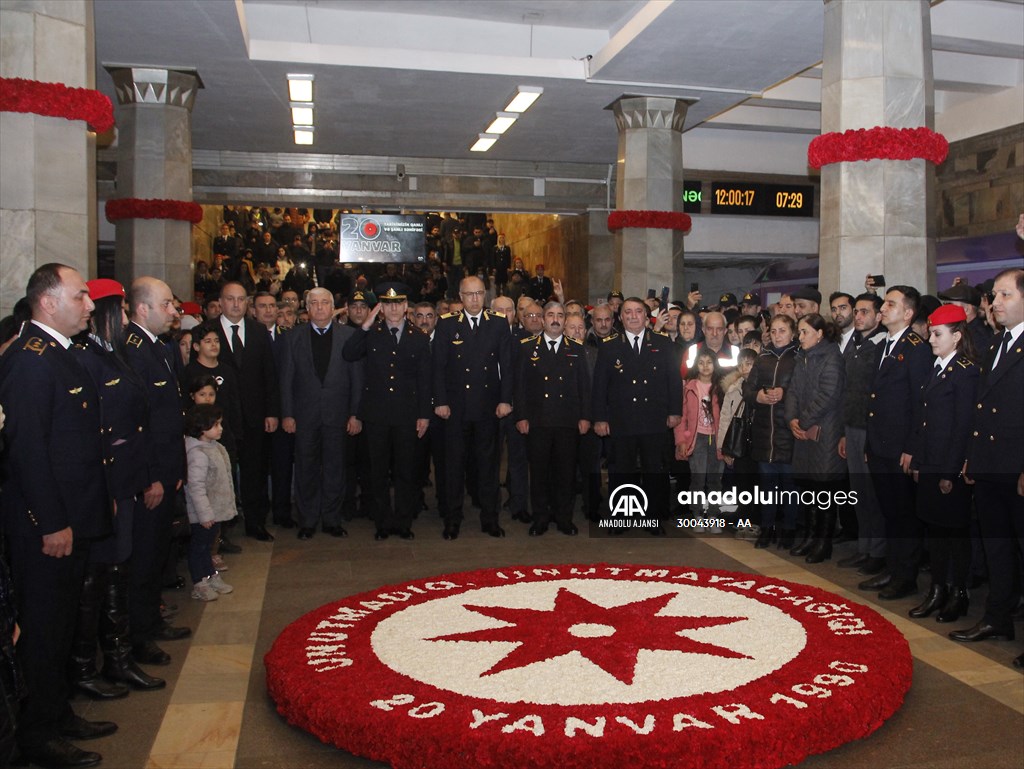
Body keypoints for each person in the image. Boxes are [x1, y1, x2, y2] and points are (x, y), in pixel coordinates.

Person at [0, 263, 117, 769]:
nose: (90, 305)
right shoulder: (30, 361)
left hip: (75, 514)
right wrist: (50, 522)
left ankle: (57, 709)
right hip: (47, 525)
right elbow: (26, 451)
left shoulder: (60, 354)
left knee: (63, 622)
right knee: (44, 628)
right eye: (81, 296)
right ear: (48, 302)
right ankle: (37, 733)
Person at [70, 279, 166, 700]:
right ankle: (91, 666)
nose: (126, 319)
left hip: (125, 480)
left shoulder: (113, 354)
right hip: (108, 485)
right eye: (122, 310)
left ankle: (118, 657)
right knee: (101, 576)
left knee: (117, 570)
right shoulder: (86, 359)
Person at [952, 268, 1024, 668]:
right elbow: (983, 407)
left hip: (1017, 466)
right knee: (997, 547)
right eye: (994, 296)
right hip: (991, 464)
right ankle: (998, 618)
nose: (994, 303)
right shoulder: (997, 342)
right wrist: (973, 456)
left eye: (1004, 295)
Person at [123, 277, 191, 667]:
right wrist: (150, 476)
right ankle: (138, 637)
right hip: (151, 476)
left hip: (167, 469)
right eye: (166, 305)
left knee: (157, 551)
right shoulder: (134, 351)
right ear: (143, 308)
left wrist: (175, 468)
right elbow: (138, 424)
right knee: (144, 555)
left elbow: (171, 418)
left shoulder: (160, 348)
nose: (174, 312)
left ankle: (151, 619)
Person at [904, 304, 979, 622]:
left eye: (937, 334)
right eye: (931, 333)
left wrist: (950, 473)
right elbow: (924, 420)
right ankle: (937, 589)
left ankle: (956, 592)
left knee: (954, 533)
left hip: (949, 465)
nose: (931, 339)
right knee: (936, 531)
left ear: (957, 336)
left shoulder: (965, 370)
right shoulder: (938, 366)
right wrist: (919, 460)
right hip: (931, 462)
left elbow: (962, 426)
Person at [861, 286, 934, 600]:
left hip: (900, 445)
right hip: (880, 443)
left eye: (891, 304)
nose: (883, 308)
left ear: (908, 313)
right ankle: (892, 568)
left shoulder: (916, 347)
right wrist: (869, 443)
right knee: (889, 509)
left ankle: (906, 575)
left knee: (904, 513)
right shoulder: (883, 345)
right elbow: (874, 400)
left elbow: (920, 402)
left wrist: (912, 447)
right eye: (884, 302)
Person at [342, 284, 431, 540]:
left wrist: (424, 414)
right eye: (387, 304)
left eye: (398, 303)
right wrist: (367, 323)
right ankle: (382, 521)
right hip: (377, 414)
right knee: (377, 471)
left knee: (406, 471)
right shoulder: (372, 333)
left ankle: (403, 522)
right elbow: (348, 353)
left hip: (406, 414)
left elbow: (424, 380)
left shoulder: (419, 336)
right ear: (381, 307)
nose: (393, 308)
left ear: (406, 307)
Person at [432, 275, 513, 539]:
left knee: (489, 467)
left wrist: (505, 399)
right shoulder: (446, 325)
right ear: (460, 296)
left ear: (485, 295)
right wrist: (441, 401)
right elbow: (439, 368)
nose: (475, 299)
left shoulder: (498, 324)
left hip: (488, 407)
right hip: (455, 409)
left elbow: (507, 366)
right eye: (469, 294)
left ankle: (490, 518)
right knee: (454, 465)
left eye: (479, 293)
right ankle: (452, 518)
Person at [279, 287, 363, 540]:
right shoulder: (293, 337)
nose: (319, 307)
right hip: (304, 415)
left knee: (336, 468)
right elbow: (286, 380)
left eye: (324, 302)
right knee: (305, 467)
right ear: (307, 307)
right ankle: (307, 520)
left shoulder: (349, 336)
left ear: (332, 305)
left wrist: (355, 414)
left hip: (338, 414)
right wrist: (288, 414)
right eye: (313, 303)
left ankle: (331, 519)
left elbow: (357, 380)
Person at [592, 297, 682, 533]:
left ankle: (653, 518)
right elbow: (600, 385)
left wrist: (675, 411)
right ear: (620, 317)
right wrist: (600, 418)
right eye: (628, 312)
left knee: (655, 472)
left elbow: (673, 380)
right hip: (622, 420)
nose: (633, 316)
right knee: (621, 471)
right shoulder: (610, 345)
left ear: (646, 316)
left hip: (654, 418)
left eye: (638, 311)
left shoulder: (662, 343)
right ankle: (621, 518)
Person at [514, 302, 591, 536]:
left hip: (567, 420)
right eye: (551, 315)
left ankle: (564, 518)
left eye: (560, 315)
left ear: (565, 321)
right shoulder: (528, 348)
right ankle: (540, 518)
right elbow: (520, 386)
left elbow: (584, 387)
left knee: (565, 472)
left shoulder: (576, 349)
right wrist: (521, 416)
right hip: (538, 420)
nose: (555, 319)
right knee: (538, 473)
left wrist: (585, 416)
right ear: (543, 320)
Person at [215, 282, 279, 542]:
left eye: (241, 299)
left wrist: (272, 412)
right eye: (230, 299)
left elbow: (269, 375)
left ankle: (256, 523)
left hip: (255, 416)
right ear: (221, 303)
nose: (236, 304)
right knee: (220, 475)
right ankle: (220, 534)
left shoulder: (258, 332)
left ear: (247, 304)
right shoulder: (207, 332)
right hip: (220, 420)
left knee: (255, 472)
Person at [785, 313, 847, 563]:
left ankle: (824, 542)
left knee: (825, 490)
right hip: (805, 432)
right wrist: (792, 419)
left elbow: (829, 394)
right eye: (799, 332)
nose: (800, 337)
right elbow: (793, 391)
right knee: (809, 488)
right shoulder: (803, 358)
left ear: (819, 334)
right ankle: (810, 537)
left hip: (826, 433)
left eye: (804, 332)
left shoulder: (832, 357)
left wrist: (804, 420)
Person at [837, 293, 888, 575]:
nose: (858, 316)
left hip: (870, 429)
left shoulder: (880, 345)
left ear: (878, 316)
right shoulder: (854, 344)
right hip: (852, 426)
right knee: (858, 491)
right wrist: (844, 432)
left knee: (873, 492)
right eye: (856, 311)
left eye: (864, 312)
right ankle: (864, 546)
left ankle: (878, 551)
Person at [743, 314, 800, 548]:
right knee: (767, 487)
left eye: (782, 330)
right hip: (764, 432)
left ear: (792, 333)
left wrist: (785, 395)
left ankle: (789, 529)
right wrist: (758, 396)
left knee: (789, 487)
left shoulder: (799, 357)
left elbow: (804, 390)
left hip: (788, 432)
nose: (777, 335)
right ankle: (767, 528)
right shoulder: (762, 358)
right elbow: (747, 389)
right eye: (774, 331)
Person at [183, 405, 236, 602]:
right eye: (215, 425)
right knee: (200, 547)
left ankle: (210, 575)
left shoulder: (215, 447)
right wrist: (204, 515)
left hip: (216, 510)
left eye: (220, 424)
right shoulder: (197, 453)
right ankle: (200, 582)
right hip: (203, 515)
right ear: (201, 427)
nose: (220, 428)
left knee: (208, 546)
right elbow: (196, 488)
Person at [675, 349, 725, 524]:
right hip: (697, 440)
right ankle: (697, 515)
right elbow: (682, 417)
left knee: (715, 480)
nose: (705, 366)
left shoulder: (722, 387)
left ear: (715, 365)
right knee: (697, 478)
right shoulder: (689, 387)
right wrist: (681, 440)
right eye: (701, 362)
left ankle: (713, 515)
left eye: (709, 362)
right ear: (696, 365)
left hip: (717, 441)